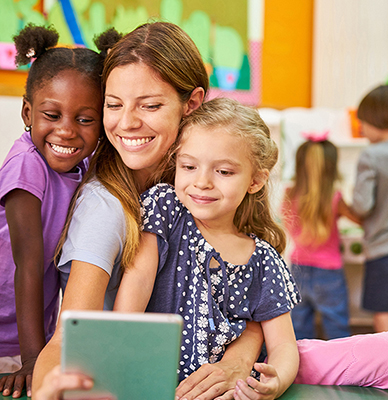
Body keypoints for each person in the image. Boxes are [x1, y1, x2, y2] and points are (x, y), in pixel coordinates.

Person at [34, 22, 266, 400]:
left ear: (191, 103)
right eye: (114, 105)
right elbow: (68, 336)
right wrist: (50, 389)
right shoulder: (106, 206)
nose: (127, 122)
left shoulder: (207, 192)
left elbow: (255, 295)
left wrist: (240, 357)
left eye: (151, 105)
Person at [0, 24, 110, 398]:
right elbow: (29, 264)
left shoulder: (79, 168)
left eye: (85, 119)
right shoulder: (26, 166)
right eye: (52, 115)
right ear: (28, 112)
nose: (67, 131)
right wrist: (32, 359)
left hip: (30, 331)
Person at [114, 98, 300, 400]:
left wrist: (275, 383)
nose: (201, 182)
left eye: (224, 172)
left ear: (255, 181)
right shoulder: (166, 208)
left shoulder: (264, 260)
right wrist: (118, 355)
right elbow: (138, 281)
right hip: (147, 384)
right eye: (188, 166)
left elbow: (283, 346)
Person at [281, 134, 360, 339]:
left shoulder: (289, 194)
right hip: (329, 272)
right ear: (331, 168)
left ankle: (301, 371)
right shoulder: (335, 198)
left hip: (297, 268)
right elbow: (361, 220)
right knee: (337, 328)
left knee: (298, 329)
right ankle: (344, 371)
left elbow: (287, 225)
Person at [352, 84, 388, 333]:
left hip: (382, 249)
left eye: (363, 121)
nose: (362, 129)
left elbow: (362, 206)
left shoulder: (371, 156)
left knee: (383, 311)